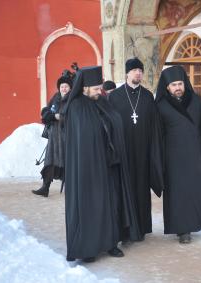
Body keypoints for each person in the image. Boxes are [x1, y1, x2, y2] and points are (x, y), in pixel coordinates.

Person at [62, 66, 141, 262]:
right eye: (96, 88)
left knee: (113, 204)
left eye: (100, 88)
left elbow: (114, 124)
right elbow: (81, 139)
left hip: (110, 165)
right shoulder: (76, 107)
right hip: (87, 169)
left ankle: (111, 243)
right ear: (85, 88)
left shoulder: (103, 102)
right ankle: (88, 248)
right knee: (91, 206)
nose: (100, 91)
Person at [155, 65, 201, 244]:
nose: (177, 87)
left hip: (195, 155)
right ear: (167, 87)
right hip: (172, 157)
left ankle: (195, 223)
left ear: (185, 84)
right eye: (173, 84)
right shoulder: (160, 106)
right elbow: (156, 135)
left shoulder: (197, 101)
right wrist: (158, 160)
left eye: (180, 84)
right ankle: (182, 229)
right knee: (178, 194)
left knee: (196, 191)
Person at [108, 58, 164, 240]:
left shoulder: (148, 96)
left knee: (141, 190)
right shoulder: (114, 96)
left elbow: (154, 126)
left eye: (140, 70)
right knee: (124, 190)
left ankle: (140, 229)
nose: (138, 73)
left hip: (143, 153)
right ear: (127, 73)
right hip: (123, 152)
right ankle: (124, 230)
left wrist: (154, 151)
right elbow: (108, 126)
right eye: (135, 71)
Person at [32, 75, 72, 197]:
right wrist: (53, 116)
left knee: (69, 163)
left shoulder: (73, 100)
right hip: (54, 137)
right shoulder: (56, 97)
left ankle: (72, 189)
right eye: (62, 86)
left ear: (70, 88)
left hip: (68, 137)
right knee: (49, 162)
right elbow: (46, 112)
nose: (64, 89)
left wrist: (63, 117)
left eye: (66, 86)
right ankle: (45, 188)